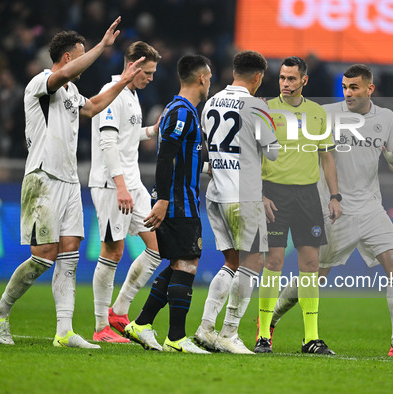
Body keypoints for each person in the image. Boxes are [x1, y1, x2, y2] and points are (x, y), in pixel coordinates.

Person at [0, 17, 145, 348]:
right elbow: (64, 76)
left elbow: (93, 108)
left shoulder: (72, 92)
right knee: (44, 256)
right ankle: (1, 311)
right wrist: (103, 47)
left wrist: (123, 82)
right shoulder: (41, 83)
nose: (86, 59)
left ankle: (64, 332)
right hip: (42, 178)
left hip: (70, 182)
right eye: (83, 53)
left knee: (70, 253)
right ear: (69, 57)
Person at [271, 64, 393, 358]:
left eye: (354, 87)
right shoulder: (326, 114)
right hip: (334, 208)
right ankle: (270, 320)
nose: (348, 93)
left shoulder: (386, 118)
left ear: (370, 89)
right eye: (344, 87)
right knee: (315, 275)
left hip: (371, 207)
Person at [123, 55, 212, 354]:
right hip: (177, 202)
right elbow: (165, 157)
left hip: (182, 199)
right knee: (187, 263)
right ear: (201, 78)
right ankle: (175, 337)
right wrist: (162, 199)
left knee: (178, 263)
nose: (209, 82)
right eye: (209, 77)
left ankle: (141, 323)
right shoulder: (183, 112)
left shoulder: (185, 111)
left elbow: (188, 158)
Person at [193, 50, 279, 354]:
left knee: (232, 262)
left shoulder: (211, 103)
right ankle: (229, 333)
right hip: (243, 195)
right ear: (257, 78)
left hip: (216, 193)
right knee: (254, 262)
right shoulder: (257, 106)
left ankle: (206, 328)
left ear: (234, 72)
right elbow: (272, 152)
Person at [255, 56, 342, 354]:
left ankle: (310, 338)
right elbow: (254, 154)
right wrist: (259, 193)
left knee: (311, 265)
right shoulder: (266, 109)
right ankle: (263, 335)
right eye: (282, 78)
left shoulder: (317, 113)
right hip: (274, 195)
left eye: (292, 79)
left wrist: (334, 196)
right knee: (274, 263)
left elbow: (327, 156)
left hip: (307, 196)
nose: (286, 83)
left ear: (304, 80)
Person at [89, 41, 162, 344]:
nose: (151, 77)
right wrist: (120, 186)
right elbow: (107, 143)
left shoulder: (132, 95)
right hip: (111, 185)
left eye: (153, 72)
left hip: (133, 184)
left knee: (158, 249)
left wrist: (152, 130)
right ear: (132, 67)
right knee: (112, 251)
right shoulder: (113, 94)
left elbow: (127, 137)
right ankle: (100, 327)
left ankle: (119, 311)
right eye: (147, 72)